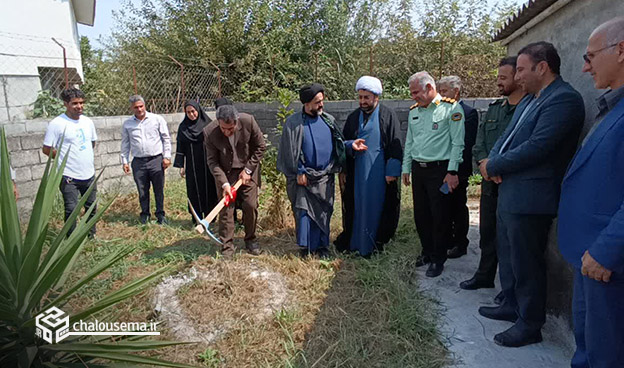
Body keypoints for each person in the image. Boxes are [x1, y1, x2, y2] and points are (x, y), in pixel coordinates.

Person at [479, 42, 584, 347]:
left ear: (542, 67)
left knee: (527, 262)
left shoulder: (564, 100)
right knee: (510, 255)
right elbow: (506, 138)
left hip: (532, 197)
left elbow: (538, 147)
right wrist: (491, 162)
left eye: (522, 69)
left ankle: (529, 323)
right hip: (510, 191)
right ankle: (510, 303)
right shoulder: (530, 100)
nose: (518, 76)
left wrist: (495, 164)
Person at [558, 17, 624, 368]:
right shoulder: (611, 106)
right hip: (590, 258)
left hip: (607, 260)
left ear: (621, 50)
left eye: (591, 56)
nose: (584, 67)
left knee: (607, 352)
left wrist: (606, 250)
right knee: (589, 348)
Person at [460, 57, 526, 298]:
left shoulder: (527, 110)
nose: (498, 82)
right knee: (488, 233)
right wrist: (485, 167)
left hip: (513, 185)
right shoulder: (495, 109)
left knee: (509, 239)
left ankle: (510, 288)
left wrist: (498, 168)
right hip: (490, 183)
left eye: (503, 78)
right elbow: (478, 145)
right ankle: (484, 275)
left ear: (518, 79)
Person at [402, 71, 465, 277]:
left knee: (440, 216)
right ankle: (427, 252)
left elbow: (458, 143)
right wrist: (406, 168)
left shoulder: (451, 109)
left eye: (416, 92)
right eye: (411, 93)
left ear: (430, 88)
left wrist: (452, 171)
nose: (413, 97)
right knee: (421, 215)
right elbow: (410, 142)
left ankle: (439, 259)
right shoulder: (414, 112)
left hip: (441, 171)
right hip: (419, 171)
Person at [335, 76, 403, 257]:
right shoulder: (353, 117)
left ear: (376, 97)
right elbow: (342, 143)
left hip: (379, 174)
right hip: (357, 172)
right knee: (357, 206)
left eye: (366, 97)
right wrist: (351, 146)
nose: (362, 102)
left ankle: (374, 243)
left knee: (377, 206)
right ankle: (356, 243)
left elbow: (396, 145)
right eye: (360, 97)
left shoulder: (388, 115)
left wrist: (392, 172)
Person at [277, 83, 345, 258]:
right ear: (306, 104)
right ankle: (306, 248)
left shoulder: (328, 120)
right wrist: (299, 171)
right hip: (303, 179)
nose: (321, 105)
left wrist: (351, 145)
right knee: (304, 213)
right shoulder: (293, 123)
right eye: (317, 102)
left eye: (322, 101)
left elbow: (339, 145)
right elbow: (288, 151)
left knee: (324, 212)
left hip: (324, 177)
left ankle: (322, 247)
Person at [204, 105, 266, 258]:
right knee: (226, 210)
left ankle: (250, 239)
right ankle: (227, 246)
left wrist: (248, 170)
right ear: (218, 122)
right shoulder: (209, 132)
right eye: (223, 128)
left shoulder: (248, 121)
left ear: (236, 121)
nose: (226, 132)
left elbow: (260, 147)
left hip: (247, 171)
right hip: (225, 174)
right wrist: (224, 183)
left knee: (250, 205)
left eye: (230, 129)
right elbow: (212, 162)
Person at [42, 88, 98, 237]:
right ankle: (71, 239)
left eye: (81, 103)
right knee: (71, 209)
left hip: (88, 173)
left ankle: (90, 235)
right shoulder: (57, 124)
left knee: (91, 207)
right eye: (74, 103)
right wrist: (63, 158)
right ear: (66, 104)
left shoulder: (88, 122)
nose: (79, 106)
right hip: (68, 175)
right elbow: (47, 149)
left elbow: (92, 143)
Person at [437, 76, 479, 259]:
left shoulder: (468, 113)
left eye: (444, 91)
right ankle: (445, 240)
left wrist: (453, 170)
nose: (441, 95)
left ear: (456, 92)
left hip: (457, 171)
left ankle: (460, 243)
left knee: (457, 206)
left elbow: (464, 143)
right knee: (442, 205)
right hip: (439, 169)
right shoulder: (437, 112)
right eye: (440, 91)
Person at [120, 95, 172, 225]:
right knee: (142, 190)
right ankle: (145, 215)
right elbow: (125, 144)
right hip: (138, 162)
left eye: (141, 106)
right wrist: (124, 161)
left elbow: (166, 138)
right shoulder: (128, 124)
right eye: (136, 107)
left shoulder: (157, 119)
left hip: (156, 160)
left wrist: (167, 156)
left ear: (145, 105)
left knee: (158, 189)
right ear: (132, 108)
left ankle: (160, 215)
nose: (139, 109)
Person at [173, 100, 218, 223]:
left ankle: (211, 218)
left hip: (208, 164)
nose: (191, 114)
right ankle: (196, 218)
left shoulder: (209, 125)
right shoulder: (183, 127)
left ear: (198, 110)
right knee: (193, 191)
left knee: (210, 189)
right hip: (192, 166)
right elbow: (180, 146)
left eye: (193, 111)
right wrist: (181, 165)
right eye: (188, 112)